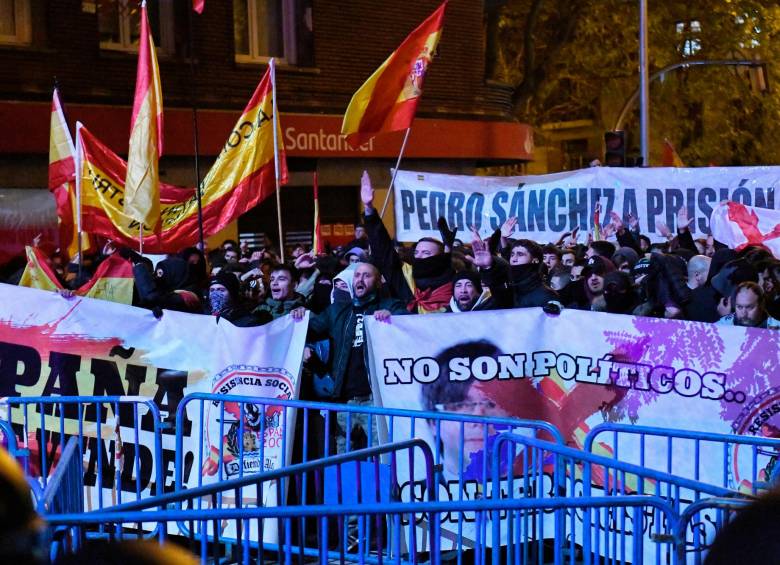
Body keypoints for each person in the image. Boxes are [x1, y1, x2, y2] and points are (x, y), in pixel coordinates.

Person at [292, 262, 408, 452]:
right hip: (345, 400)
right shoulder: (337, 311)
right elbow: (308, 331)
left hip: (376, 399)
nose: (360, 279)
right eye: (357, 275)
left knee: (381, 455)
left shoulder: (391, 306)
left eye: (367, 275)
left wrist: (393, 317)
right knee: (344, 457)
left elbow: (408, 324)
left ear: (379, 282)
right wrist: (300, 316)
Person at [360, 171, 454, 314]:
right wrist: (369, 209)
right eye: (417, 252)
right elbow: (383, 251)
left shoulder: (455, 284)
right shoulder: (405, 276)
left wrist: (448, 248)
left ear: (440, 258)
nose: (419, 256)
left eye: (426, 253)